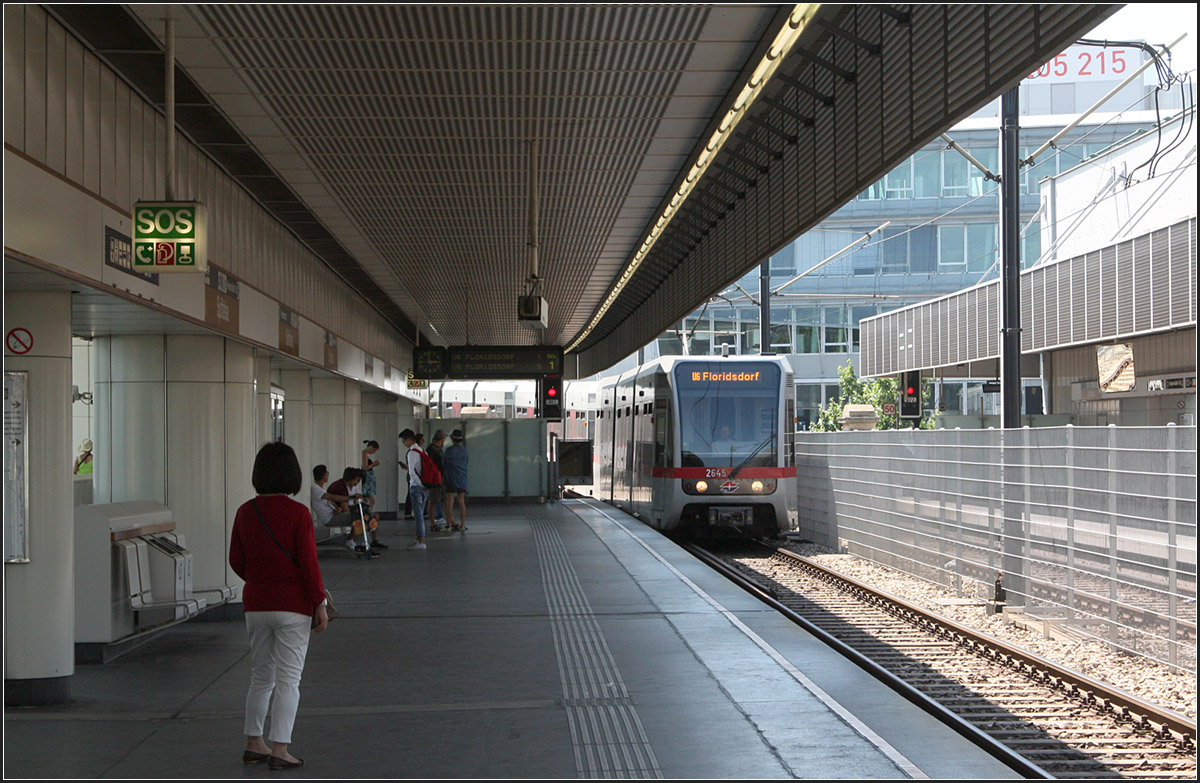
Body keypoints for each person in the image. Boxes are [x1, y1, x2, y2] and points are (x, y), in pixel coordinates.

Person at [229, 441, 328, 770]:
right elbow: (309, 564)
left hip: (256, 604)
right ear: (293, 475)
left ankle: (253, 742)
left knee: (260, 677)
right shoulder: (298, 514)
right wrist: (319, 602)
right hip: (292, 606)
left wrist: (260, 580)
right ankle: (280, 749)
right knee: (289, 680)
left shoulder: (245, 511)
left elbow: (236, 561)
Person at [325, 467, 386, 550]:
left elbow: (355, 501)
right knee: (362, 518)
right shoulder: (340, 487)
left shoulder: (352, 486)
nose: (357, 483)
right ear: (351, 479)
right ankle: (359, 543)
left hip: (350, 509)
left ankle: (372, 541)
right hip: (338, 513)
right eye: (357, 480)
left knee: (372, 516)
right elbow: (344, 506)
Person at [400, 429, 428, 550]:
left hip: (417, 487)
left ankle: (421, 541)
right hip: (426, 486)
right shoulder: (422, 451)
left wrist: (417, 484)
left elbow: (412, 473)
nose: (403, 443)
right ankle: (419, 538)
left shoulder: (412, 453)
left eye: (403, 440)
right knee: (420, 513)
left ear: (409, 439)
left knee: (418, 515)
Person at [442, 429, 469, 532]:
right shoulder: (465, 451)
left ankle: (448, 525)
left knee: (450, 502)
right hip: (462, 478)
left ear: (452, 439)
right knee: (461, 501)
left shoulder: (448, 451)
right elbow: (466, 462)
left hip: (451, 478)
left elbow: (444, 463)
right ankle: (462, 525)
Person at [426, 430, 447, 531]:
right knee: (434, 500)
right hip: (435, 478)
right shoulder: (433, 449)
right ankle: (434, 520)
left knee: (442, 499)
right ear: (442, 438)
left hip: (439, 476)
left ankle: (439, 517)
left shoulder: (433, 448)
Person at [360, 440, 381, 513]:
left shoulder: (365, 454)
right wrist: (373, 464)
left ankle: (367, 512)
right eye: (374, 450)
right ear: (371, 447)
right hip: (367, 478)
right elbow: (365, 467)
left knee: (367, 499)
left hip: (369, 478)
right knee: (371, 499)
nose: (373, 452)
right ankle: (368, 512)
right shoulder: (365, 454)